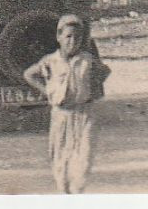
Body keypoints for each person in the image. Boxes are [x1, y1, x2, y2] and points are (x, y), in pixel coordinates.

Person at [23, 13, 110, 194]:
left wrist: (92, 89)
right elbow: (29, 74)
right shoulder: (51, 61)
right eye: (68, 36)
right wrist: (47, 90)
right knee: (60, 160)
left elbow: (104, 71)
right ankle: (64, 195)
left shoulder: (87, 60)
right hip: (61, 115)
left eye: (77, 37)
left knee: (84, 161)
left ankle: (77, 194)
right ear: (59, 37)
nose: (73, 41)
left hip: (85, 114)